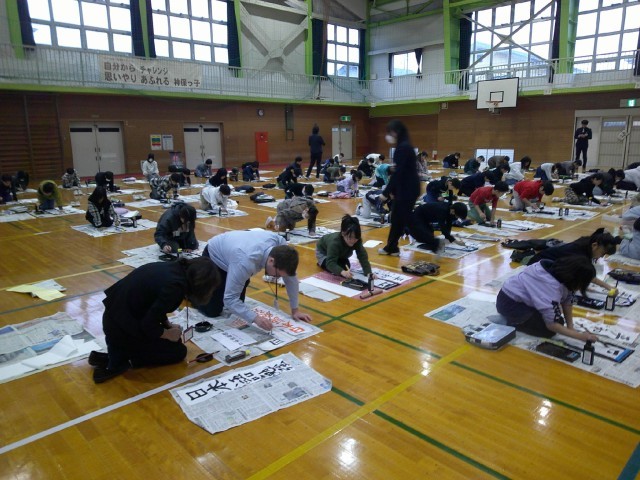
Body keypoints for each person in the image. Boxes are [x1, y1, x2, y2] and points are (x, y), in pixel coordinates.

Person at [90, 257, 220, 383]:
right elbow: (147, 324)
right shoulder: (175, 287)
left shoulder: (174, 269)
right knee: (178, 352)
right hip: (121, 328)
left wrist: (168, 325)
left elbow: (152, 304)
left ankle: (120, 353)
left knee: (173, 342)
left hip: (116, 317)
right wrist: (167, 334)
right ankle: (126, 358)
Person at [198, 230, 312, 329]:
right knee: (212, 311)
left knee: (238, 308)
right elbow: (230, 299)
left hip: (235, 255)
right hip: (215, 257)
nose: (278, 277)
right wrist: (256, 319)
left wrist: (295, 310)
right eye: (277, 274)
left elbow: (291, 278)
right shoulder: (245, 261)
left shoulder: (281, 245)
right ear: (271, 261)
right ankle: (192, 289)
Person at [496, 255, 599, 341]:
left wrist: (570, 327)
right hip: (510, 303)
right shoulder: (550, 288)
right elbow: (552, 325)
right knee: (549, 331)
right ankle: (513, 322)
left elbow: (567, 301)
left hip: (522, 298)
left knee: (558, 320)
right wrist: (581, 337)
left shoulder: (560, 273)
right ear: (576, 279)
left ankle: (525, 318)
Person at [528, 228, 620, 293]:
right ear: (595, 245)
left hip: (546, 264)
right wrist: (608, 287)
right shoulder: (580, 254)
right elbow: (586, 274)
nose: (601, 257)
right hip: (538, 268)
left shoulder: (587, 242)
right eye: (602, 253)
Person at [378, 120, 421, 256]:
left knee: (405, 220)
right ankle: (392, 247)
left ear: (396, 132)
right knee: (398, 219)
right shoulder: (404, 146)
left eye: (389, 132)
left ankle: (434, 243)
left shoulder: (403, 147)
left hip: (407, 190)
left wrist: (386, 192)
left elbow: (399, 173)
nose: (388, 135)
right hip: (407, 189)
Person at [316, 215, 372, 279]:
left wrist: (368, 272)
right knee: (336, 269)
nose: (353, 241)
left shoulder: (357, 240)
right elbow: (330, 263)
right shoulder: (335, 243)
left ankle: (338, 261)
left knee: (345, 266)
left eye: (356, 238)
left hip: (340, 254)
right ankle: (321, 262)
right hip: (324, 252)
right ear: (343, 233)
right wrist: (342, 272)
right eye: (350, 238)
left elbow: (362, 256)